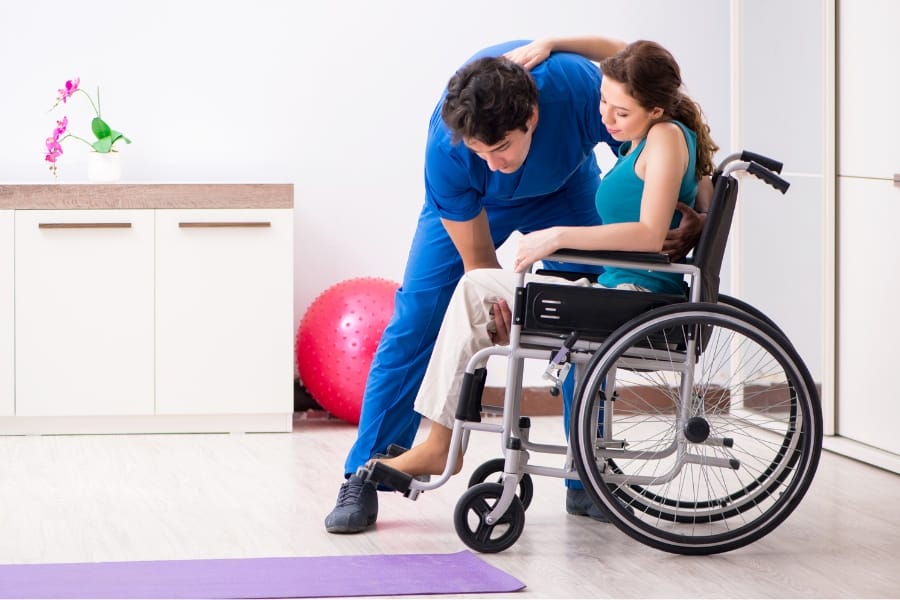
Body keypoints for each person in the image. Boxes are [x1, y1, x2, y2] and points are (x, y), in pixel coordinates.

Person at [324, 37, 706, 534]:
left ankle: (585, 475)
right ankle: (366, 472)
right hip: (475, 205)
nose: (491, 159)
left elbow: (647, 101)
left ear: (532, 117)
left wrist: (698, 205)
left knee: (583, 320)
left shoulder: (574, 88)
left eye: (501, 146)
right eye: (479, 150)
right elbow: (480, 265)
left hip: (566, 192)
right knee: (417, 317)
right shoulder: (452, 149)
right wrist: (500, 313)